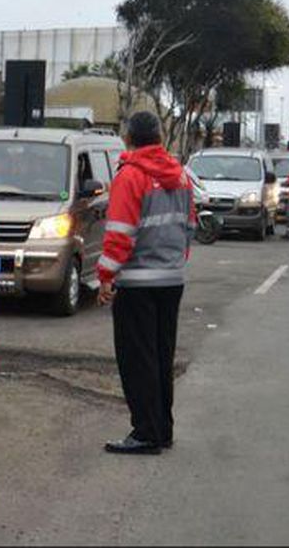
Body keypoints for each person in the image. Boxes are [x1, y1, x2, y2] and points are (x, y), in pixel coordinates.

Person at [97, 111, 194, 455]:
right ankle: (161, 429)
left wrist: (106, 276)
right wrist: (174, 262)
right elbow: (189, 226)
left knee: (138, 359)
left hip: (137, 282)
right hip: (171, 279)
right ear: (160, 138)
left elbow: (120, 234)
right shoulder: (181, 176)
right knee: (161, 356)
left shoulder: (131, 175)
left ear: (128, 138)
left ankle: (146, 433)